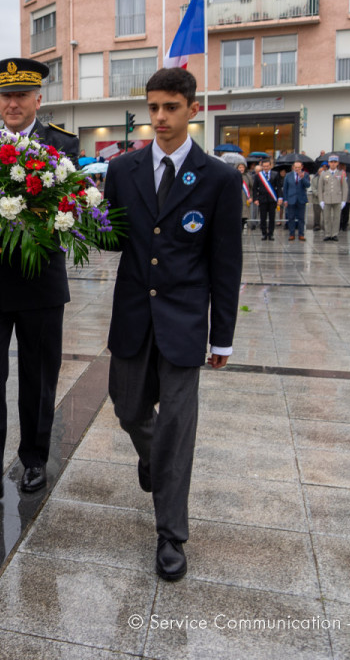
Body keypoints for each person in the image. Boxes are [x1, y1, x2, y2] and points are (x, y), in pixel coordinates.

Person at [103, 67, 242, 582]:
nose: (159, 118)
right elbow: (114, 239)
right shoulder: (124, 170)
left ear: (191, 110)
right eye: (153, 108)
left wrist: (221, 334)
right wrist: (74, 220)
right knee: (128, 407)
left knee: (179, 429)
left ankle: (171, 535)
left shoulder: (219, 179)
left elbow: (227, 264)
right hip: (134, 317)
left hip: (184, 322)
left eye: (170, 108)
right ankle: (153, 456)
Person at [0, 57, 79, 510]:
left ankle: (33, 460)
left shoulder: (59, 145)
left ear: (37, 99)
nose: (12, 103)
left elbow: (62, 206)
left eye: (21, 95)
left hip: (40, 282)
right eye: (5, 96)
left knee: (38, 377)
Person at [315, 155, 347, 241]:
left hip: (337, 198)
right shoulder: (324, 174)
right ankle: (328, 234)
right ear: (328, 163)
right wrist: (321, 200)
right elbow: (320, 188)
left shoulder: (341, 174)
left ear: (337, 163)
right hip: (327, 199)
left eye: (335, 162)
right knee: (326, 217)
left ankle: (335, 234)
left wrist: (344, 200)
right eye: (331, 162)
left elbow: (344, 187)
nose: (333, 164)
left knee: (337, 217)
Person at [280, 160, 310, 241]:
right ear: (293, 167)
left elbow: (308, 185)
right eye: (296, 167)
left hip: (301, 199)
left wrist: (302, 178)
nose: (297, 169)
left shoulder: (305, 174)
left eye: (299, 167)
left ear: (302, 167)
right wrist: (285, 200)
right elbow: (285, 188)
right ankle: (291, 234)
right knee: (291, 217)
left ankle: (301, 234)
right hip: (291, 199)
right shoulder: (288, 175)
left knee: (301, 218)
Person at [252, 158, 280, 241]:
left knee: (272, 218)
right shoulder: (258, 176)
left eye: (267, 166)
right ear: (262, 166)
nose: (266, 168)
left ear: (270, 166)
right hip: (262, 199)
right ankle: (264, 233)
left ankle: (271, 234)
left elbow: (278, 187)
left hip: (272, 199)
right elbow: (254, 189)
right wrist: (255, 199)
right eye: (264, 166)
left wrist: (280, 198)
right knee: (263, 218)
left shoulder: (275, 174)